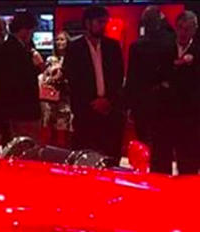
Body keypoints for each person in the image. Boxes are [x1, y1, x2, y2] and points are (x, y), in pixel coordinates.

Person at [64, 5, 125, 163]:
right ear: (88, 23)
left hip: (110, 111)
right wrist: (92, 102)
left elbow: (118, 77)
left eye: (105, 22)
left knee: (111, 158)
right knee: (86, 159)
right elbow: (73, 80)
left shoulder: (113, 46)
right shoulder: (75, 48)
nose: (103, 26)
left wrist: (108, 100)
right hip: (86, 112)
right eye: (100, 22)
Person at [151, 11, 200, 175]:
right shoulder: (163, 50)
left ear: (194, 30)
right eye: (180, 28)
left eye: (187, 29)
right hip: (164, 117)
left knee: (188, 166)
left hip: (188, 120)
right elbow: (155, 79)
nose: (183, 33)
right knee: (161, 164)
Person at [124, 6, 175, 145]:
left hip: (143, 104)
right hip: (165, 103)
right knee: (163, 145)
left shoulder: (137, 46)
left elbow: (132, 78)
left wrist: (130, 105)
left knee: (145, 142)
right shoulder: (171, 42)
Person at [0, 11, 41, 140]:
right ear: (24, 30)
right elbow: (21, 79)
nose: (31, 34)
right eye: (31, 30)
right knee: (25, 144)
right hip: (22, 109)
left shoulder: (12, 47)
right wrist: (36, 66)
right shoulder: (14, 50)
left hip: (16, 109)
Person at [40, 30, 72, 148]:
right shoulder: (51, 59)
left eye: (62, 39)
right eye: (57, 40)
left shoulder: (71, 59)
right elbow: (45, 77)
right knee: (49, 131)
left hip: (65, 99)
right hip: (51, 100)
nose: (59, 42)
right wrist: (50, 79)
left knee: (63, 131)